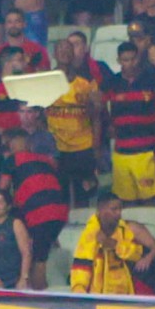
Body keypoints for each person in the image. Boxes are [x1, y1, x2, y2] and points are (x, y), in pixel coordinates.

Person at [0, 128, 68, 290]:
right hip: (59, 212)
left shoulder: (13, 160)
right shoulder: (47, 160)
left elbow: (2, 190)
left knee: (38, 258)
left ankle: (40, 298)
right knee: (42, 244)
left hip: (39, 213)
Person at [102, 41, 155, 204]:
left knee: (151, 199)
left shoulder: (152, 81)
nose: (129, 63)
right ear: (119, 60)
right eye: (125, 60)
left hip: (147, 151)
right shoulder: (111, 83)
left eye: (132, 59)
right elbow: (101, 112)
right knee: (124, 203)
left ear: (138, 58)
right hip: (121, 152)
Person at [45, 40, 102, 207]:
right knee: (58, 195)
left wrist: (96, 147)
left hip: (82, 147)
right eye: (60, 49)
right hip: (55, 148)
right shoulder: (45, 81)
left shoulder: (85, 83)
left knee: (83, 196)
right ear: (54, 54)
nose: (64, 52)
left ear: (74, 54)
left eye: (68, 49)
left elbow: (96, 116)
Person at [70, 193, 147, 294]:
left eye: (120, 209)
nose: (118, 213)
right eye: (114, 209)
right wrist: (79, 291)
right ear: (101, 210)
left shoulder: (123, 229)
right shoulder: (91, 233)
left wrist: (116, 246)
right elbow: (82, 265)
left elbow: (137, 254)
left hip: (124, 291)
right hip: (99, 293)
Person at [0, 9, 50, 77]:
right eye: (9, 22)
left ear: (24, 24)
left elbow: (44, 74)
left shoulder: (37, 49)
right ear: (5, 25)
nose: (13, 25)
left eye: (17, 21)